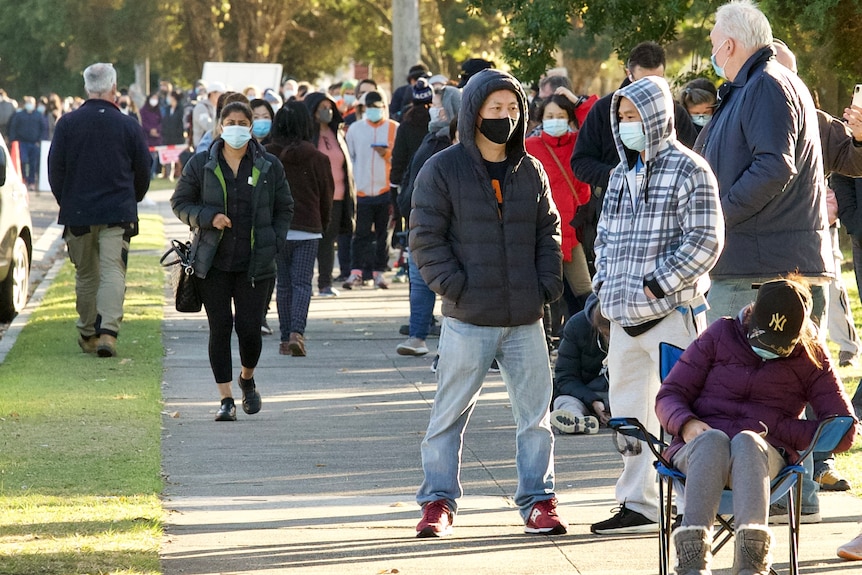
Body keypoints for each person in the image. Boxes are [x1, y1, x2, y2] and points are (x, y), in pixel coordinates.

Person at [410, 68, 566, 538]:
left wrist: (545, 285)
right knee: (448, 416)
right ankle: (437, 502)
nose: (505, 117)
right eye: (495, 109)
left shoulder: (531, 169)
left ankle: (539, 501)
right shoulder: (442, 168)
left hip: (525, 318)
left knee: (536, 418)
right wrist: (454, 286)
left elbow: (549, 231)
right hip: (467, 317)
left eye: (513, 109)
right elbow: (425, 239)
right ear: (474, 112)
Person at [590, 75, 724, 535]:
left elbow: (706, 240)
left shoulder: (691, 169)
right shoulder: (617, 175)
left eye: (635, 117)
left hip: (674, 316)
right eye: (622, 118)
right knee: (628, 414)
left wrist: (656, 284)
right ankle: (639, 501)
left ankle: (693, 503)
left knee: (685, 412)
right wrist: (605, 286)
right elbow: (603, 237)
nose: (629, 126)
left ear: (658, 117)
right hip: (623, 319)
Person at [656, 276, 856, 575]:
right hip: (699, 448)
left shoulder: (811, 354)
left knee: (748, 441)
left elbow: (842, 430)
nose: (769, 350)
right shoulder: (721, 333)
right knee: (714, 442)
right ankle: (691, 565)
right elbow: (669, 395)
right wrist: (687, 424)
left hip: (763, 455)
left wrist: (778, 429)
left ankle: (752, 565)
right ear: (751, 315)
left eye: (779, 347)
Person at [700, 1, 831, 327]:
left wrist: (718, 216)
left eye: (713, 45)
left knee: (731, 373)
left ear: (728, 45)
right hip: (761, 264)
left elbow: (773, 167)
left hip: (758, 272)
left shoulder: (765, 84)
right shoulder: (759, 84)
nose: (713, 55)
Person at [171, 100, 293, 421]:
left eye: (243, 122)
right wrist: (209, 217)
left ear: (251, 127)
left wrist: (275, 241)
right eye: (231, 122)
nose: (237, 127)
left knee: (250, 329)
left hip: (256, 265)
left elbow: (285, 208)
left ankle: (247, 379)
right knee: (220, 328)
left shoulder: (269, 165)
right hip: (213, 263)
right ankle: (225, 398)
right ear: (221, 126)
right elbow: (180, 203)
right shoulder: (201, 164)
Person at [47, 62, 152, 357]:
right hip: (117, 210)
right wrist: (134, 198)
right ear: (114, 88)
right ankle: (109, 331)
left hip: (78, 211)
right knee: (112, 270)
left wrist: (66, 201)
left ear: (86, 88)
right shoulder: (129, 126)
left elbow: (56, 171)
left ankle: (88, 330)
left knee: (86, 274)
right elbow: (143, 169)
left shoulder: (67, 124)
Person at [571, 41, 698, 274]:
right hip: (615, 211)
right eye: (624, 117)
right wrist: (613, 175)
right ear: (629, 74)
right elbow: (580, 162)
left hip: (666, 227)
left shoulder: (676, 113)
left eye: (655, 83)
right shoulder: (602, 110)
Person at [395, 84, 462, 357]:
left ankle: (449, 344)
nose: (433, 109)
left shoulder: (453, 144)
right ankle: (417, 336)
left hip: (444, 225)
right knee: (419, 282)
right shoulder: (431, 138)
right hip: (418, 220)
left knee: (446, 284)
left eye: (437, 104)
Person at [266, 101, 334, 357]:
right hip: (308, 229)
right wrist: (323, 224)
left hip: (277, 229)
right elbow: (326, 196)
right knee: (302, 284)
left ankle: (285, 338)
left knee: (283, 285)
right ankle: (297, 332)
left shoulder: (265, 155)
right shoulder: (317, 158)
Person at [526, 93, 593, 336]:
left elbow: (597, 122)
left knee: (585, 290)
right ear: (541, 119)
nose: (555, 120)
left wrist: (577, 101)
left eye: (561, 116)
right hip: (541, 232)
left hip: (571, 232)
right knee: (543, 291)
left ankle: (591, 339)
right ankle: (546, 339)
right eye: (550, 116)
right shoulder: (530, 146)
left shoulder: (579, 143)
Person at [343, 90, 398, 290]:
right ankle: (356, 272)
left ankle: (379, 272)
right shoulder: (356, 129)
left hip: (385, 190)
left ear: (384, 107)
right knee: (361, 234)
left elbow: (398, 161)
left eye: (378, 107)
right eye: (370, 107)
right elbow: (350, 158)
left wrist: (386, 154)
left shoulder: (394, 128)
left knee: (383, 235)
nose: (374, 110)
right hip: (362, 190)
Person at [304, 91, 357, 293]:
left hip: (337, 197)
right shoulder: (308, 134)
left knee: (328, 242)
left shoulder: (338, 133)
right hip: (313, 198)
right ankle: (304, 282)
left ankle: (325, 283)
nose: (326, 112)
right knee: (309, 243)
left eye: (329, 107)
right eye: (321, 108)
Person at [551, 293, 610, 435]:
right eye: (607, 334)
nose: (610, 339)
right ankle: (577, 421)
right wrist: (593, 401)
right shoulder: (577, 326)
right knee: (563, 401)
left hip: (623, 394)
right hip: (586, 394)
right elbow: (565, 377)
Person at [9, 95, 48, 191]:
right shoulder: (19, 115)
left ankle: (31, 182)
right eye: (28, 102)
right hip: (22, 142)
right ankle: (23, 180)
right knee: (23, 161)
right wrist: (13, 139)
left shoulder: (39, 116)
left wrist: (40, 140)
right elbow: (13, 127)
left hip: (34, 143)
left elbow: (44, 129)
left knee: (33, 164)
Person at [160, 90, 186, 181]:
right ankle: (168, 174)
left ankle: (180, 174)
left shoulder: (181, 109)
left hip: (178, 137)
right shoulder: (167, 109)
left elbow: (181, 123)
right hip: (168, 137)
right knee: (168, 157)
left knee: (178, 158)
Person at [192, 81, 225, 149]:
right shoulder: (201, 107)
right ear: (213, 93)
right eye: (221, 94)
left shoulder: (215, 107)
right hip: (202, 146)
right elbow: (208, 126)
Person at [140, 92, 163, 179]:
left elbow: (161, 122)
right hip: (147, 138)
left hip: (156, 138)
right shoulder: (143, 110)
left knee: (155, 157)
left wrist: (157, 130)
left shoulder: (158, 111)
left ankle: (153, 173)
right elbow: (142, 122)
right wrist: (150, 130)